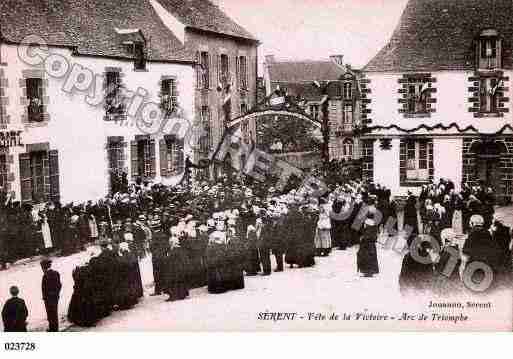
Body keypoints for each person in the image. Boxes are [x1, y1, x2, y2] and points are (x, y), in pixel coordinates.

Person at [41, 258, 62, 332]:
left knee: (51, 314)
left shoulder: (47, 275)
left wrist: (51, 295)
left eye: (42, 267)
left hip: (50, 299)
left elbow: (58, 286)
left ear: (44, 267)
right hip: (53, 298)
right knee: (53, 314)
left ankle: (53, 329)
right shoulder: (55, 273)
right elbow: (59, 285)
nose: (42, 269)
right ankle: (53, 328)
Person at [357, 212, 379, 277]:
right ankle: (371, 271)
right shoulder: (374, 223)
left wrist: (361, 238)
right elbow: (375, 234)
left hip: (365, 243)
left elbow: (361, 232)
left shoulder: (365, 223)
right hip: (371, 243)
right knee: (372, 257)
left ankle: (365, 270)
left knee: (364, 256)